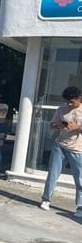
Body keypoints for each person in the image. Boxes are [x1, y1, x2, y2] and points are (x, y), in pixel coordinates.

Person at [39, 86, 82, 219]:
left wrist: (78, 127)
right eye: (67, 102)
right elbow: (52, 125)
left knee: (80, 179)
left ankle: (80, 207)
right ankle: (46, 199)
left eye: (72, 102)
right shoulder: (61, 110)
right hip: (60, 146)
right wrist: (60, 126)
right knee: (53, 174)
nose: (69, 104)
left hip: (78, 149)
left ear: (79, 99)